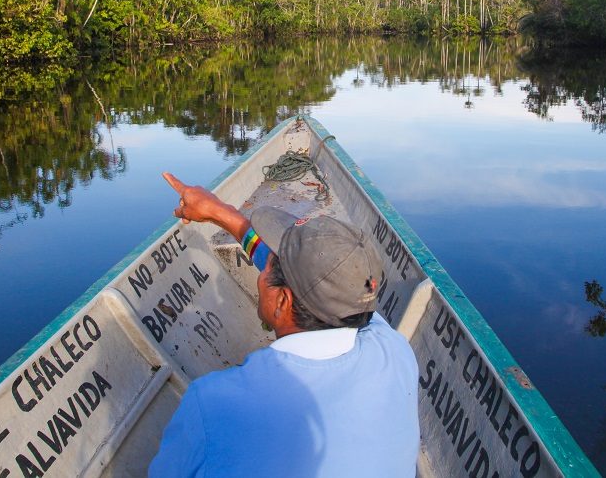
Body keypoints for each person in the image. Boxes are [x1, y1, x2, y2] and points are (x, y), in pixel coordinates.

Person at [149, 172, 420, 477]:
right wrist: (219, 212)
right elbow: (305, 278)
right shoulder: (393, 347)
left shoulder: (211, 404)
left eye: (268, 267)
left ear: (282, 301)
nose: (262, 268)